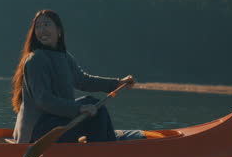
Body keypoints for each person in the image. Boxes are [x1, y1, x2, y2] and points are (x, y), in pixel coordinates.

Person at [11, 9, 143, 144]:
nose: (41, 30)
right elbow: (43, 100)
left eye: (46, 24)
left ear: (59, 31)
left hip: (57, 120)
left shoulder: (64, 57)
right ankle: (104, 152)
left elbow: (83, 81)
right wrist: (78, 109)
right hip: (37, 130)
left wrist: (117, 83)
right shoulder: (35, 59)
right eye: (38, 26)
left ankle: (103, 148)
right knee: (94, 111)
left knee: (95, 105)